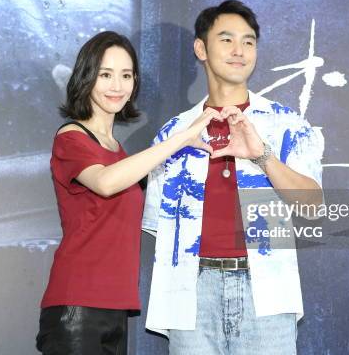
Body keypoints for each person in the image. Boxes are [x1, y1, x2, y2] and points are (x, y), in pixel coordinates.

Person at [142, 0, 324, 354]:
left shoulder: (285, 123)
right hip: (190, 296)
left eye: (249, 41)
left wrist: (262, 155)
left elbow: (313, 205)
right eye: (226, 40)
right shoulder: (174, 133)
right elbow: (157, 226)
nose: (239, 50)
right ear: (201, 49)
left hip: (267, 293)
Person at [36, 31, 221, 355]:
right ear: (86, 77)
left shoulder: (119, 151)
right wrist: (180, 138)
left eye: (126, 75)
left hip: (116, 309)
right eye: (105, 74)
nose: (117, 86)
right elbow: (106, 182)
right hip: (77, 306)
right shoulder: (71, 138)